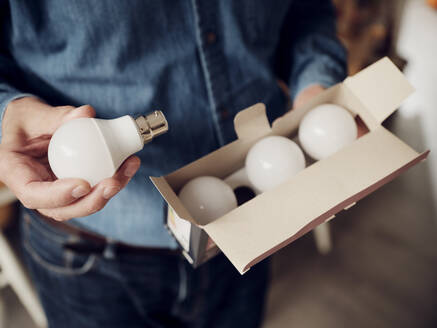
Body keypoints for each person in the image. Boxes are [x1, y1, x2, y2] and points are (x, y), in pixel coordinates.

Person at [0, 1, 347, 327]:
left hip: (247, 223)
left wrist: (318, 87)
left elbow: (308, 13)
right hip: (90, 256)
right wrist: (8, 112)